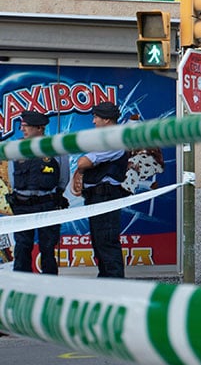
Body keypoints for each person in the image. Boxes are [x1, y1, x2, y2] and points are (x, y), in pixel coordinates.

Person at [70, 101, 129, 278]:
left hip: (106, 197)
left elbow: (83, 162)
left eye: (96, 117)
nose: (94, 121)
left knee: (107, 243)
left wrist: (80, 169)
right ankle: (105, 282)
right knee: (99, 243)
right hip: (97, 198)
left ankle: (114, 286)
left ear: (108, 120)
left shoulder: (114, 141)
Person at [8, 110, 69, 274]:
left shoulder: (55, 147)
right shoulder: (16, 148)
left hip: (47, 205)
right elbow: (12, 178)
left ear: (40, 128)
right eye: (22, 126)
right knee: (22, 248)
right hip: (22, 205)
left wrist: (56, 195)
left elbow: (64, 177)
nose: (23, 129)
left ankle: (49, 289)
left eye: (26, 126)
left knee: (48, 249)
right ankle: (21, 289)